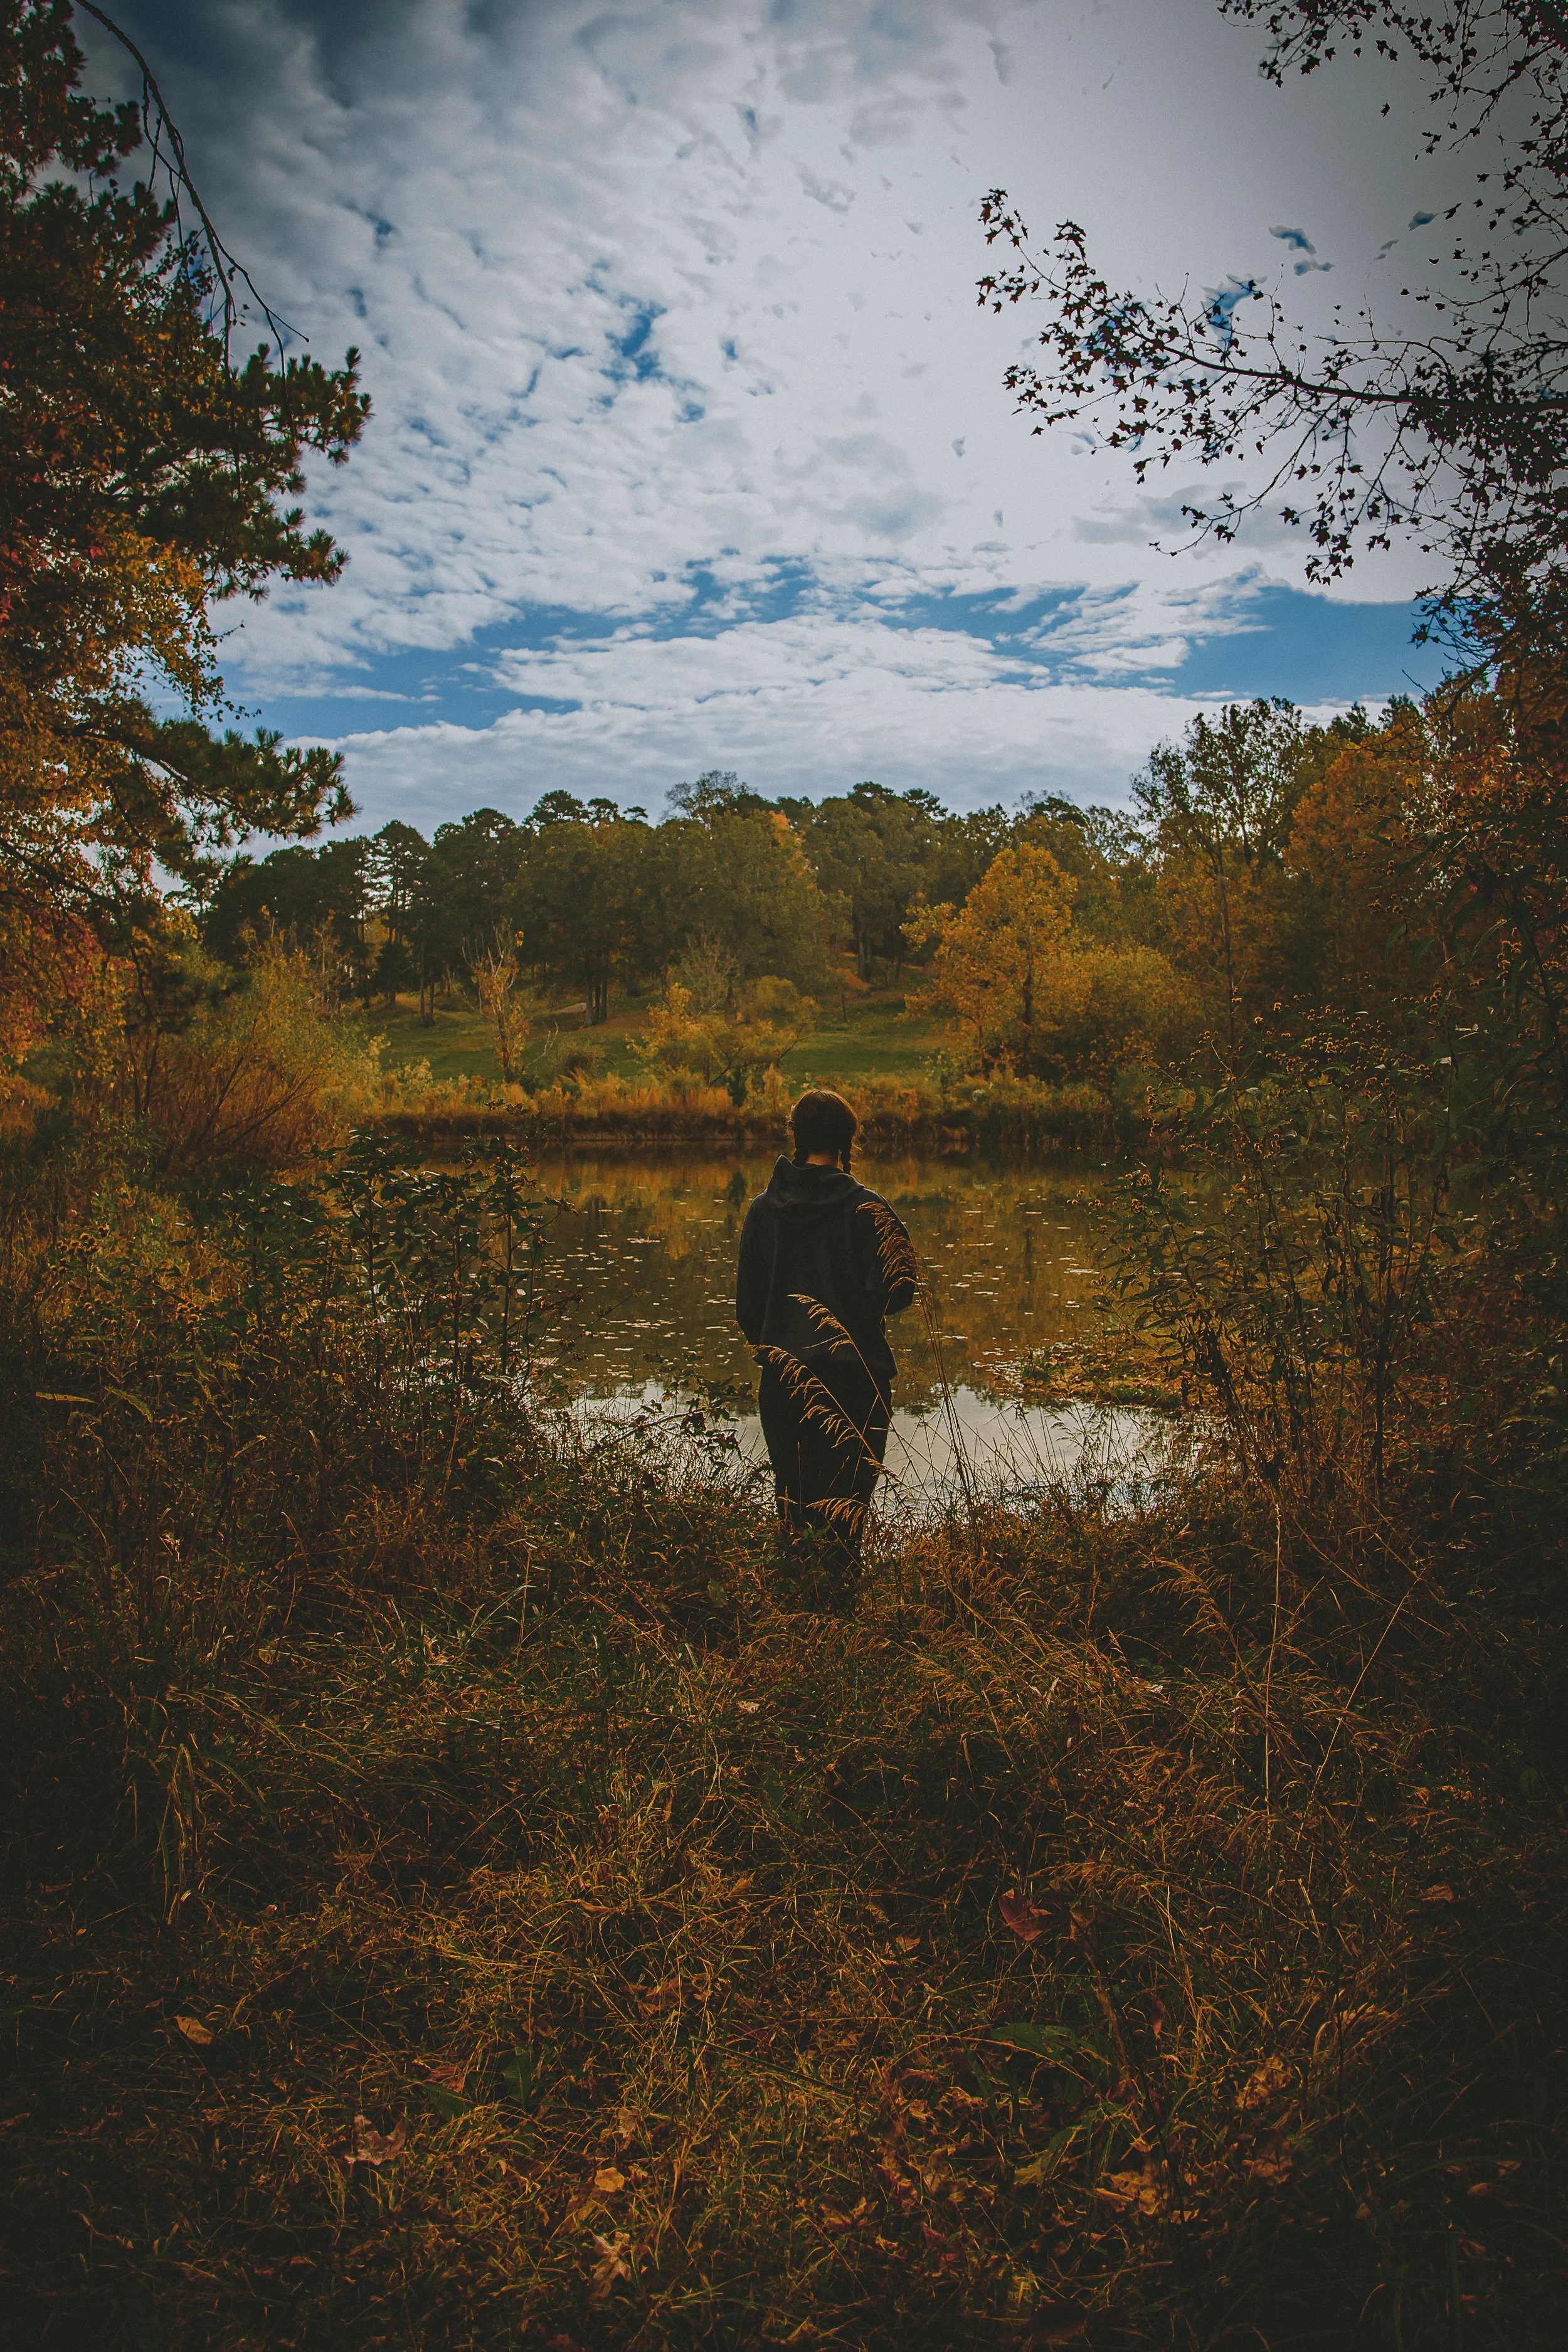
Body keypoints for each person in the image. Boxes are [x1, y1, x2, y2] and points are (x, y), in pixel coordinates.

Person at [735, 1089, 917, 1594]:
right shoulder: (868, 1208)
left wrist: (778, 1347)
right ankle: (841, 1622)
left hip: (785, 1384)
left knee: (793, 1507)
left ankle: (796, 1623)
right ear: (846, 1140)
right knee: (848, 1513)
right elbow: (902, 1286)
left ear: (797, 1138)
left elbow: (747, 1310)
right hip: (857, 1382)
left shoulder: (762, 1212)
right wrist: (860, 1315)